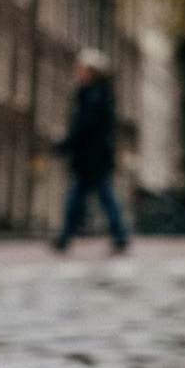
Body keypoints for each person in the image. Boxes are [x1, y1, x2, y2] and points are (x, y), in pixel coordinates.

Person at [52, 58, 129, 253]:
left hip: (91, 157)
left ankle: (67, 237)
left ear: (91, 73)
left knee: (92, 196)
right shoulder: (99, 95)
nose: (78, 73)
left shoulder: (92, 96)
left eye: (82, 70)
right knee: (94, 196)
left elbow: (84, 126)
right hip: (95, 156)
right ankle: (117, 235)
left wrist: (65, 145)